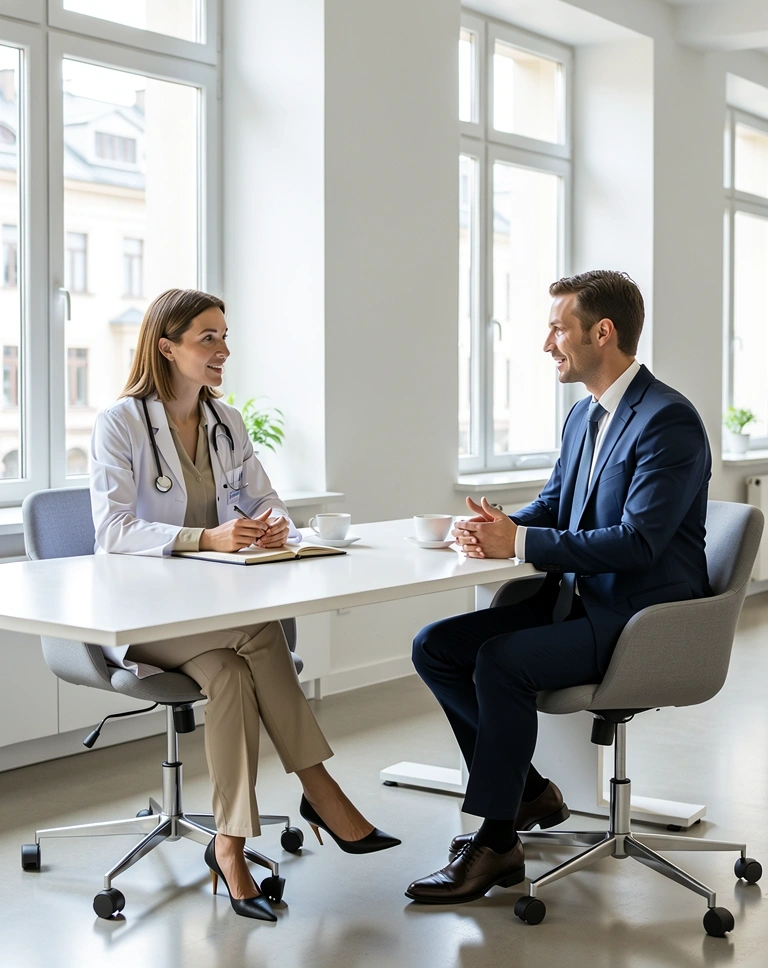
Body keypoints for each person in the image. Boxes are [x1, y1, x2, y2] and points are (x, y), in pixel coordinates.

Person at [90, 288, 399, 923]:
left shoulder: (225, 421)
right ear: (166, 346)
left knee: (233, 676)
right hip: (147, 617)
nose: (223, 350)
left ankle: (228, 847)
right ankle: (320, 789)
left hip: (214, 621)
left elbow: (266, 499)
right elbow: (112, 531)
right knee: (261, 634)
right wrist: (205, 538)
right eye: (208, 337)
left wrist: (274, 525)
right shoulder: (122, 422)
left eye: (224, 336)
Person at [406, 270, 711, 904]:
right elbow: (557, 503)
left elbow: (637, 543)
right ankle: (529, 793)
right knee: (435, 646)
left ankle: (496, 841)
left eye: (558, 328)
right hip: (575, 599)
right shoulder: (582, 416)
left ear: (604, 332)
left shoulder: (668, 420)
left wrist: (517, 545)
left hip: (639, 618)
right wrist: (502, 525)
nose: (548, 342)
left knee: (501, 661)